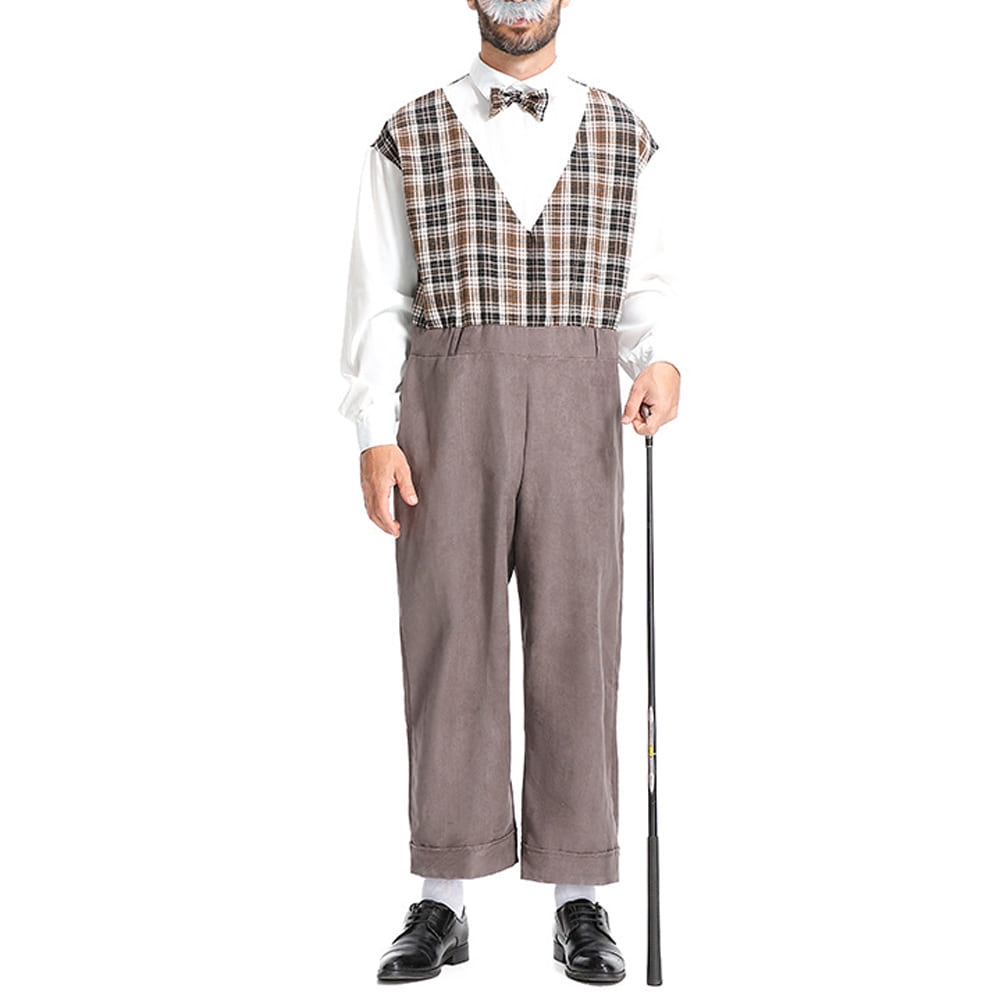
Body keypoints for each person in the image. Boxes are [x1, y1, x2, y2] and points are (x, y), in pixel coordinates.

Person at [338, 0, 681, 985]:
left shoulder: (625, 131)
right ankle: (442, 898)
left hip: (580, 396)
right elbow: (379, 298)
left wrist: (660, 361)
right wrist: (374, 429)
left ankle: (580, 896)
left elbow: (646, 285)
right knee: (450, 638)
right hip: (448, 401)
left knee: (579, 637)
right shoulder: (407, 132)